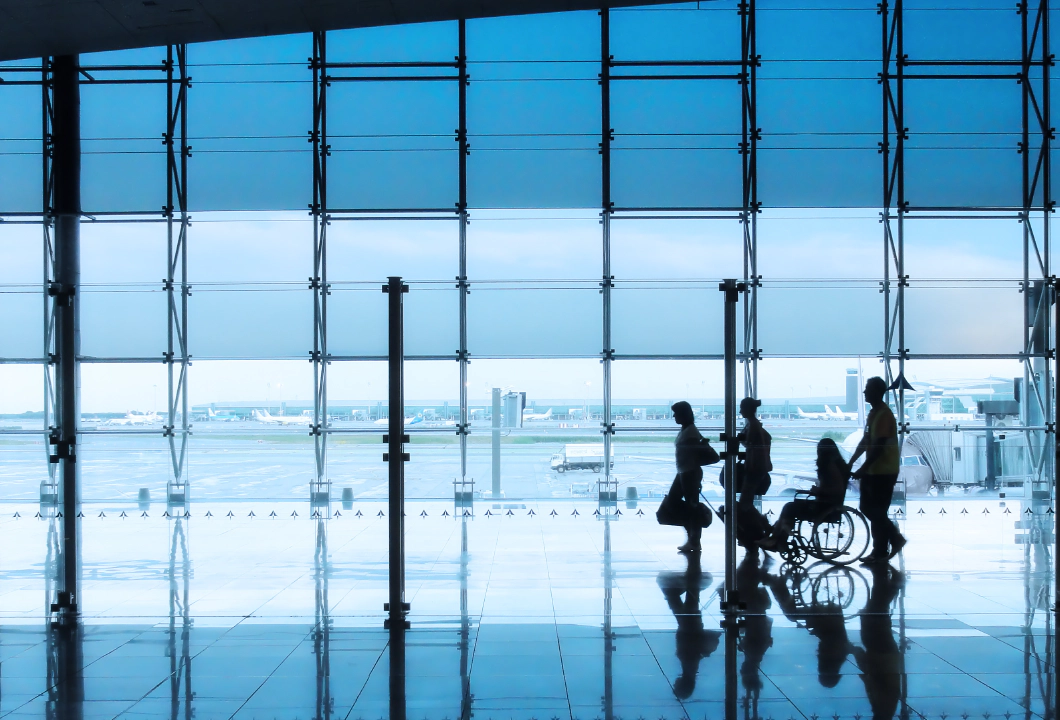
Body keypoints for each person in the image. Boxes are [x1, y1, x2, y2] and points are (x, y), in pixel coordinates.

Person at [848, 377, 907, 564]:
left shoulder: (884, 415)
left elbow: (879, 447)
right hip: (875, 471)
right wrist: (852, 462)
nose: (864, 392)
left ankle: (891, 541)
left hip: (883, 471)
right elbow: (866, 441)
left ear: (876, 392)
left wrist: (862, 468)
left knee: (874, 510)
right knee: (874, 510)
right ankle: (880, 550)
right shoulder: (874, 414)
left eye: (867, 389)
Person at [758, 438, 848, 551]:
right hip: (826, 504)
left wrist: (818, 491)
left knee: (790, 507)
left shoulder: (830, 466)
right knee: (790, 507)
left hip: (825, 507)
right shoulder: (836, 465)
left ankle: (777, 539)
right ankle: (777, 539)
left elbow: (837, 489)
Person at [656, 552, 721, 699]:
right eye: (676, 686)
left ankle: (693, 562)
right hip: (689, 629)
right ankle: (693, 559)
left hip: (689, 628)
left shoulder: (691, 671)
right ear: (682, 684)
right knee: (689, 594)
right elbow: (689, 653)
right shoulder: (689, 669)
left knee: (688, 595)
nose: (674, 683)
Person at [669, 401, 719, 553]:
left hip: (689, 473)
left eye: (676, 413)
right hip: (684, 472)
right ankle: (693, 539)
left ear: (683, 414)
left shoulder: (690, 432)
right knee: (685, 505)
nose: (674, 416)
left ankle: (694, 540)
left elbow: (693, 453)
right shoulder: (688, 430)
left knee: (690, 506)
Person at [737, 397, 772, 506]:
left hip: (754, 466)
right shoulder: (754, 424)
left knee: (746, 499)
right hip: (756, 466)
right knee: (747, 497)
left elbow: (750, 444)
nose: (740, 411)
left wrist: (739, 439)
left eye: (742, 408)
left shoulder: (752, 425)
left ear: (747, 409)